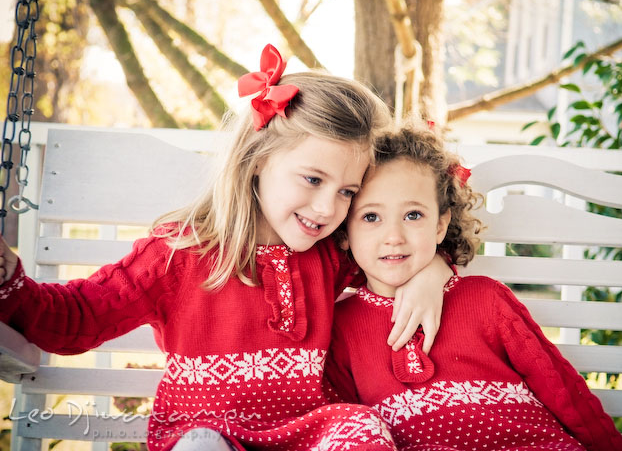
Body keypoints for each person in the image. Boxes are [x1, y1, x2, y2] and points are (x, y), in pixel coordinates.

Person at [0, 45, 452, 451]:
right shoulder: (178, 253)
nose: (327, 207)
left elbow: (396, 255)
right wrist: (9, 280)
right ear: (257, 161)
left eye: (347, 192)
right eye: (313, 179)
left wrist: (434, 271)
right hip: (208, 432)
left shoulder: (332, 253)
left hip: (307, 433)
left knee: (362, 429)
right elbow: (76, 318)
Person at [325, 122, 622, 451]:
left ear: (441, 225)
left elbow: (561, 388)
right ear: (344, 232)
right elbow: (344, 426)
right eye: (371, 217)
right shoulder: (341, 328)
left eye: (413, 215)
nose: (394, 237)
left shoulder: (485, 298)